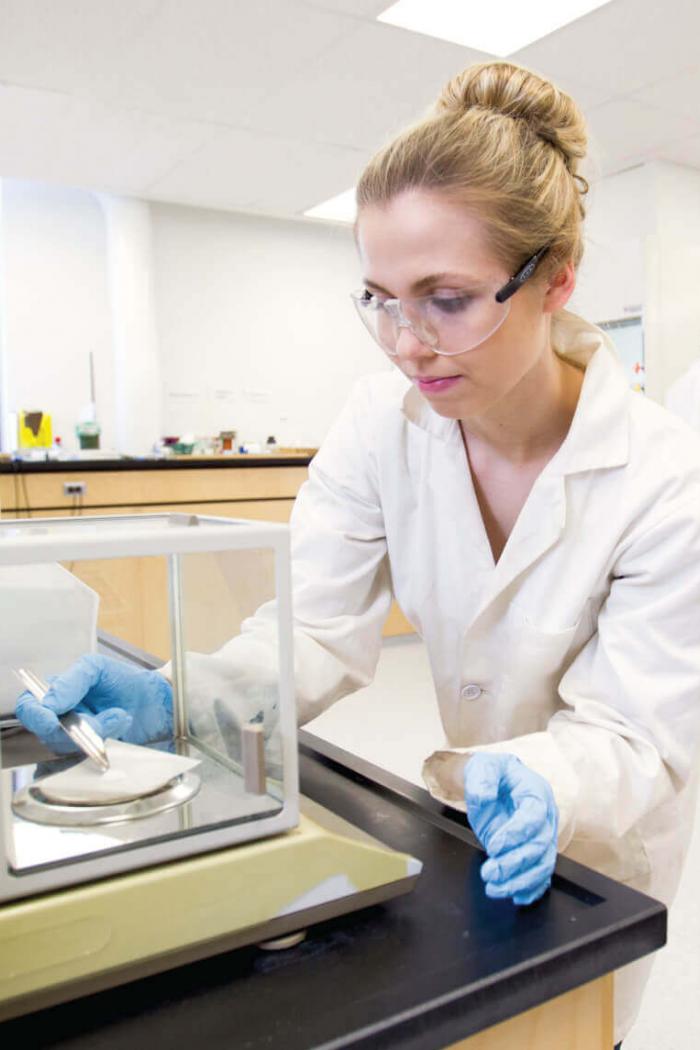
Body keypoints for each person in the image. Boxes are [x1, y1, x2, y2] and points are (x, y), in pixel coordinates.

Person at [15, 62, 700, 1047]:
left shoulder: (663, 476)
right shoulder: (382, 421)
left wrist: (554, 778)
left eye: (447, 299)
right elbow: (312, 623)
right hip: (468, 832)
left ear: (555, 278)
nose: (404, 343)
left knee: (573, 1025)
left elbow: (636, 730)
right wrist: (184, 694)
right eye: (378, 298)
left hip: (603, 838)